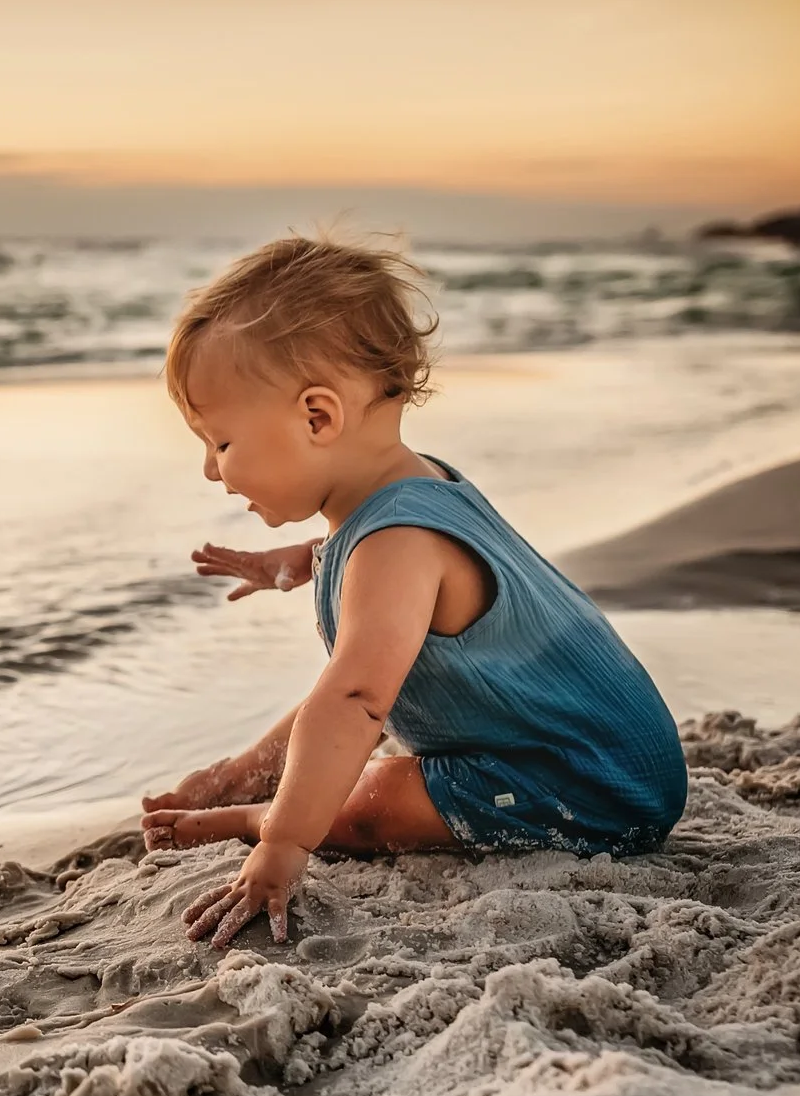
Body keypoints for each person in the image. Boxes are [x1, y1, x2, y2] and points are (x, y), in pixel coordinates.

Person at [139, 237, 688, 946]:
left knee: (368, 779)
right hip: (607, 756)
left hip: (588, 787)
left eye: (221, 443)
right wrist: (308, 558)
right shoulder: (414, 485)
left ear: (317, 418)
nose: (213, 471)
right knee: (349, 696)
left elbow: (358, 699)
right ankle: (247, 775)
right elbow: (395, 568)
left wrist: (281, 851)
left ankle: (261, 815)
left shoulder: (394, 546)